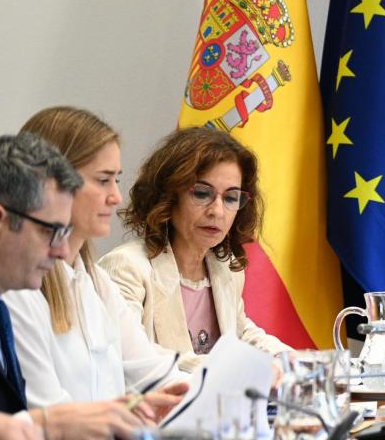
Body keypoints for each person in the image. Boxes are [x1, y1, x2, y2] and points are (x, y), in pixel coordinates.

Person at [4, 108, 192, 410]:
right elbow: (50, 416)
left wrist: (245, 384)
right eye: (103, 180)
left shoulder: (95, 280)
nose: (116, 197)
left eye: (116, 180)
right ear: (55, 184)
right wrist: (122, 418)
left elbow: (155, 373)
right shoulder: (20, 289)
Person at [0, 133, 145, 440]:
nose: (62, 250)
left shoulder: (1, 307)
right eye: (52, 231)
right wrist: (48, 425)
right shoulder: (17, 303)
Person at [100, 127, 291, 360]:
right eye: (201, 194)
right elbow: (134, 357)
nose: (217, 211)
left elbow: (240, 334)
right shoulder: (125, 267)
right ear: (169, 197)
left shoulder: (226, 267)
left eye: (231, 198)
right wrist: (237, 369)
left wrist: (289, 359)